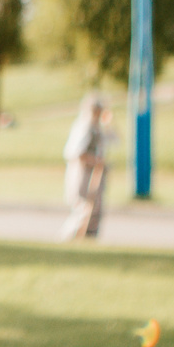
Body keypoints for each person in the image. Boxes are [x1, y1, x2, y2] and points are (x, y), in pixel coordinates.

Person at [62, 91, 113, 240]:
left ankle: (89, 240)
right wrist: (97, 161)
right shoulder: (84, 127)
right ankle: (68, 239)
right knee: (83, 210)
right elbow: (76, 154)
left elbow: (115, 139)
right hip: (82, 175)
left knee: (94, 213)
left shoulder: (97, 127)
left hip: (94, 176)